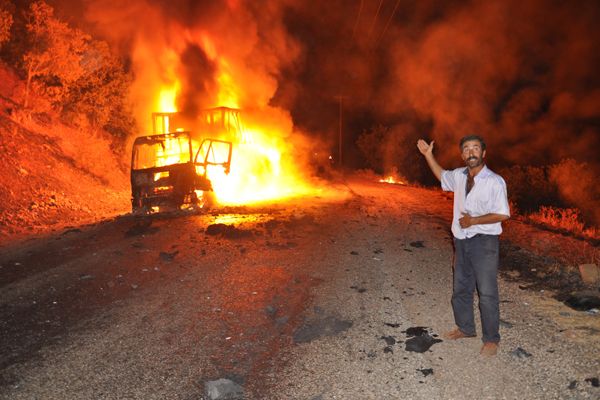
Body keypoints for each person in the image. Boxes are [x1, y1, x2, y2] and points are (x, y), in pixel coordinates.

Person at [416, 135, 510, 356]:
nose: (471, 152)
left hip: (485, 241)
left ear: (483, 153)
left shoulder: (494, 181)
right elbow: (441, 176)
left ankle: (491, 340)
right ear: (462, 155)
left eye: (475, 148)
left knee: (486, 292)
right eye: (466, 149)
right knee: (461, 287)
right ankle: (466, 328)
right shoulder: (458, 176)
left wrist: (474, 220)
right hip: (461, 240)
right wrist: (428, 155)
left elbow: (503, 214)